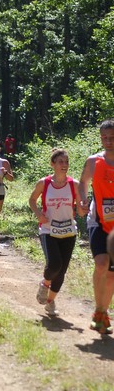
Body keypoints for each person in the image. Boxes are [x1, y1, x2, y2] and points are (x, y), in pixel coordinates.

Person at [29, 148, 83, 317]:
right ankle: (45, 284)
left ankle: (50, 303)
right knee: (54, 264)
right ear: (53, 164)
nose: (64, 165)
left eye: (66, 162)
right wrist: (39, 214)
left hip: (68, 231)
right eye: (60, 162)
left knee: (61, 271)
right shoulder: (43, 183)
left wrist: (83, 209)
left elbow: (80, 209)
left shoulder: (74, 184)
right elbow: (32, 200)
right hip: (48, 230)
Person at [79, 119, 114, 334]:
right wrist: (82, 201)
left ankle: (102, 312)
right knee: (101, 264)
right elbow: (82, 184)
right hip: (98, 220)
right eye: (104, 138)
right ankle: (98, 309)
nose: (108, 141)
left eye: (112, 137)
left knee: (111, 274)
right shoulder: (93, 161)